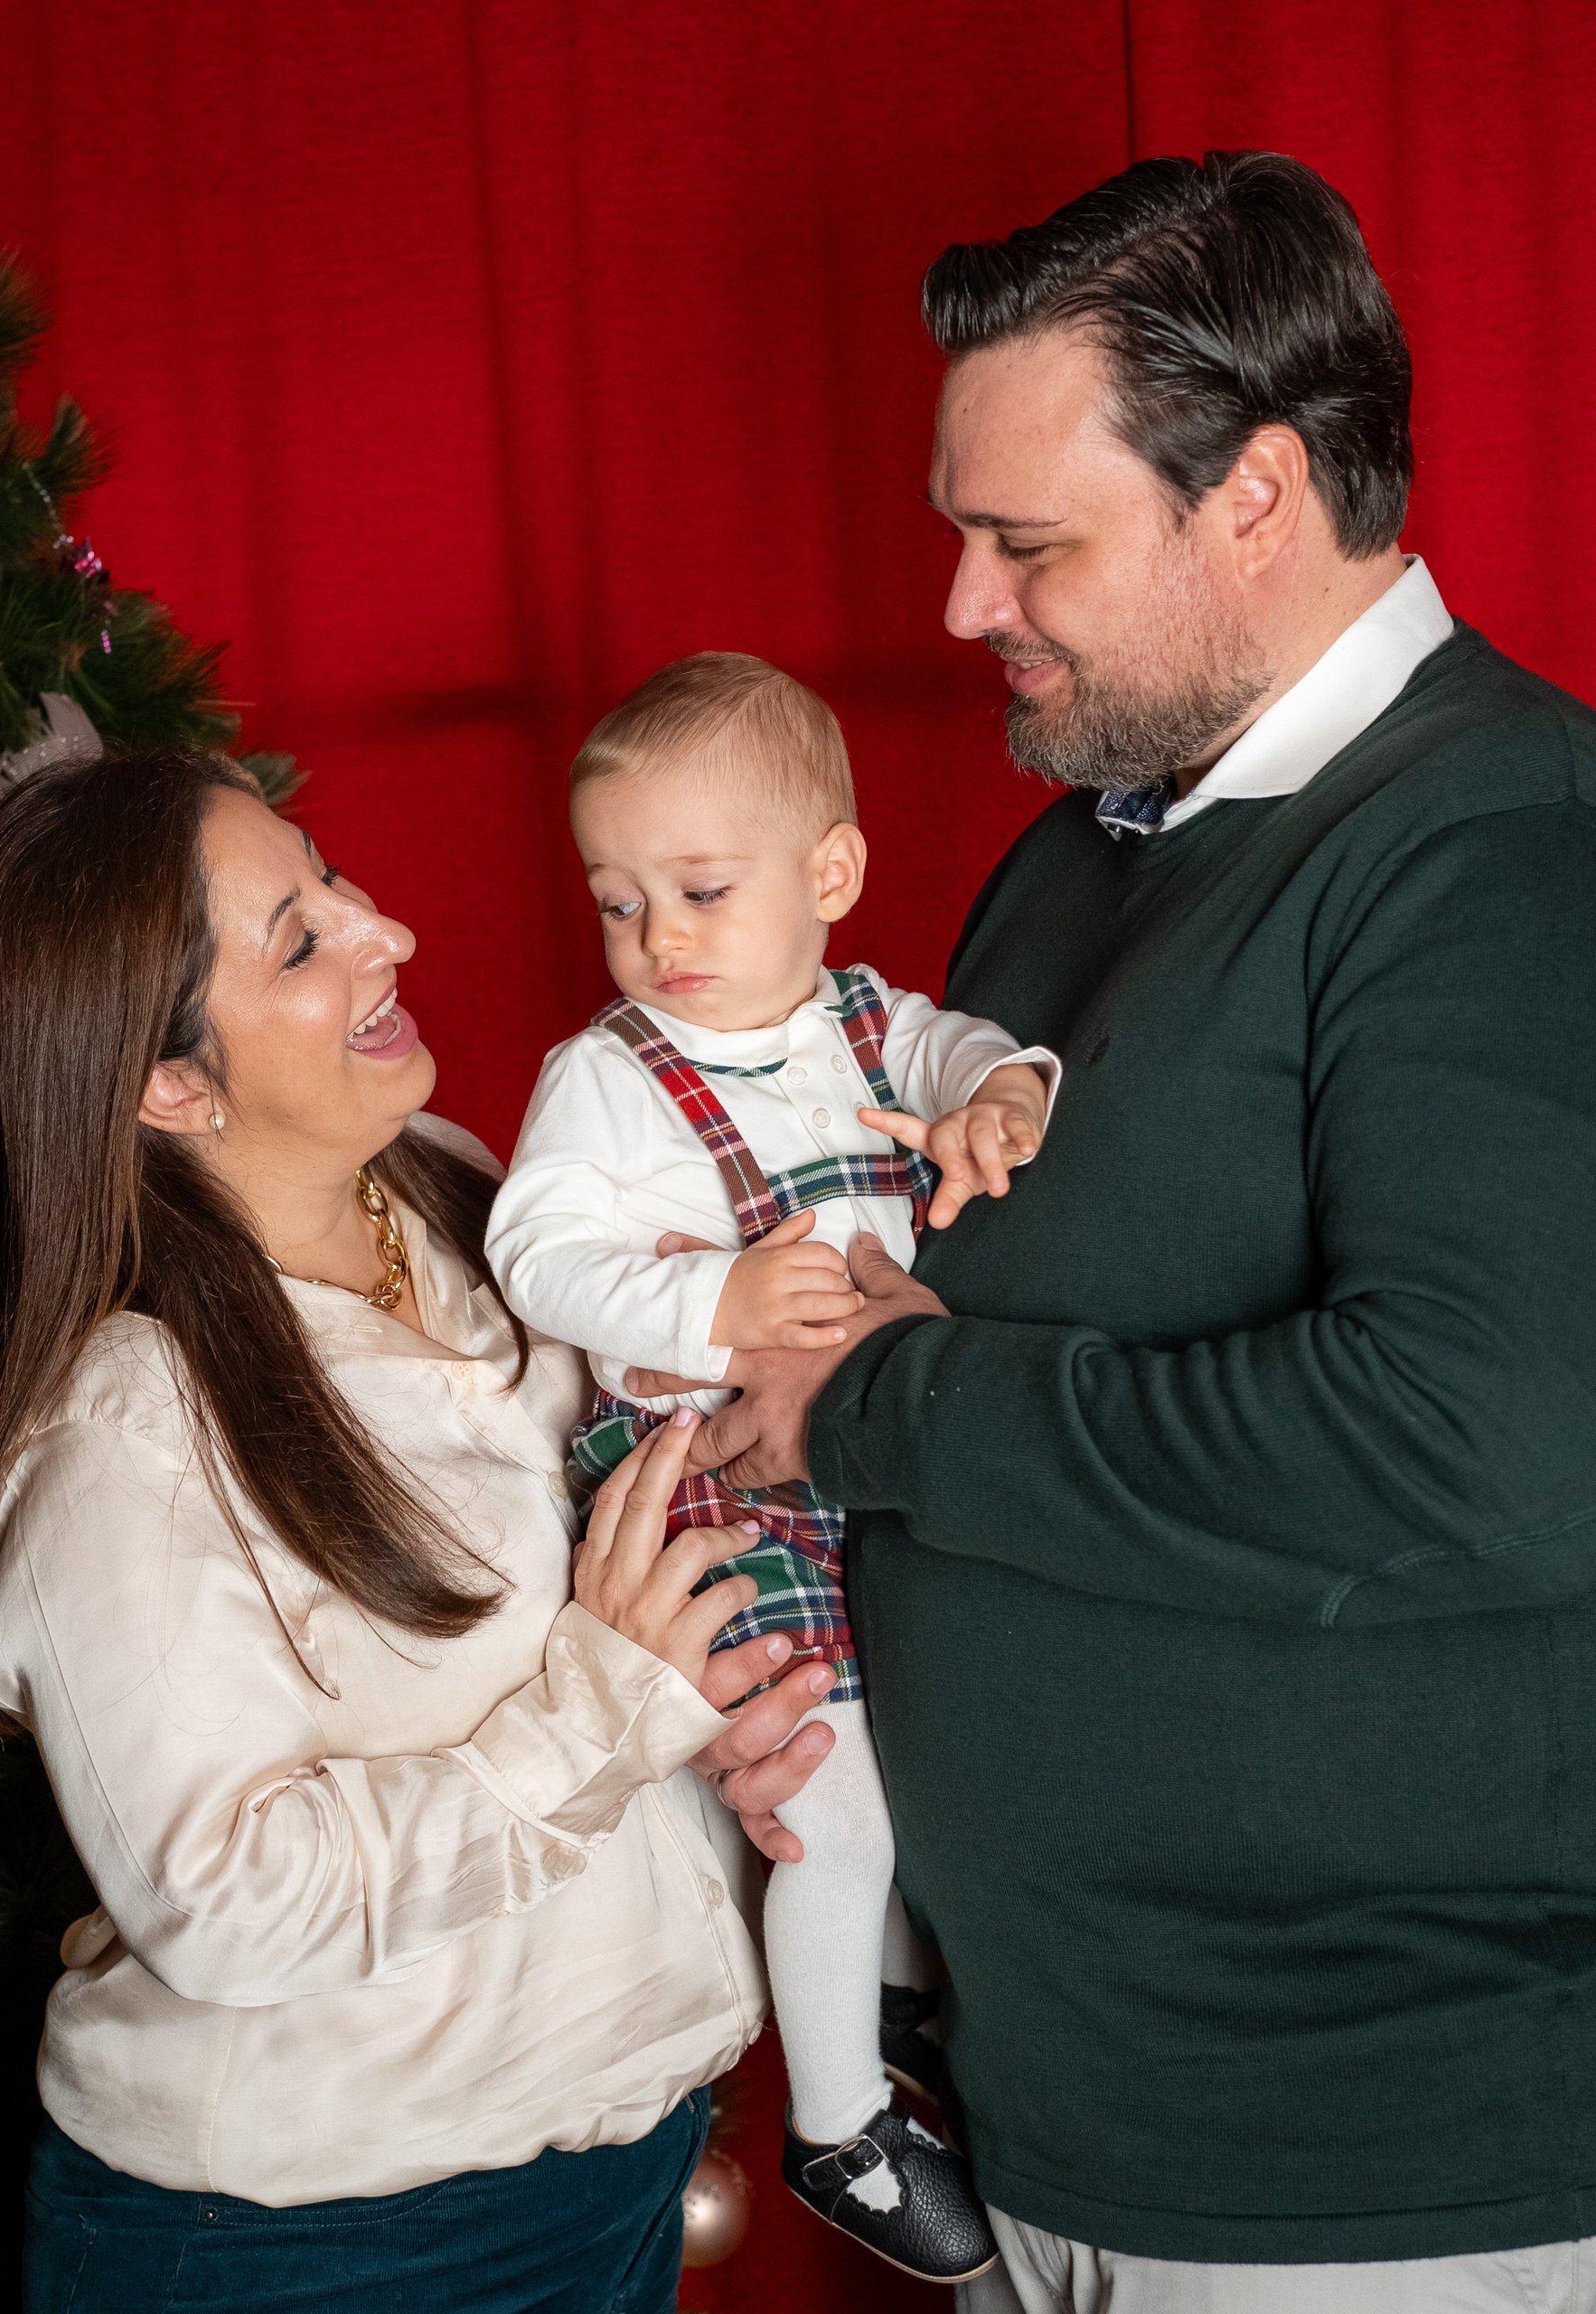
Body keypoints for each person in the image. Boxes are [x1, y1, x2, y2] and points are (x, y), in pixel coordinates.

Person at [652, 152, 1596, 2313]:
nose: (962, 603)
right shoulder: (1069, 868)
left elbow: (1484, 1450)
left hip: (1381, 2163)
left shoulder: (1512, 852)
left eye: (1022, 539)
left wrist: (875, 1407)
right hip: (1052, 2115)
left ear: (1250, 493)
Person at [0, 745, 834, 2314]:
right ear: (169, 1084)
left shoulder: (475, 1199)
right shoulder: (125, 1440)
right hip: (319, 2247)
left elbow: (606, 1595)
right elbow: (223, 1901)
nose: (384, 932)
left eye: (330, 879)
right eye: (300, 937)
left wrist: (714, 1703)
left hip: (610, 2171)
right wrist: (604, 1717)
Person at [487, 649, 1053, 2281]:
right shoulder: (608, 1077)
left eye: (699, 890)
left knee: (931, 1747)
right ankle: (834, 2123)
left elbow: (963, 1053)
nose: (655, 939)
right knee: (833, 1797)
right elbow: (540, 1248)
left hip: (867, 1468)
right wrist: (706, 1299)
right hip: (721, 1481)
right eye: (617, 901)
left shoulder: (870, 1028)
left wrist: (1003, 1093)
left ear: (831, 876)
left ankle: (879, 1995)